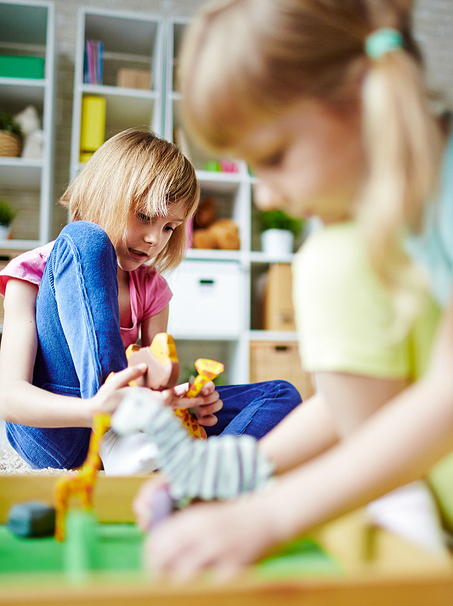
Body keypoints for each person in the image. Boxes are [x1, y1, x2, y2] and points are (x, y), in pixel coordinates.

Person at [133, 0, 453, 606]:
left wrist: (270, 520)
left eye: (273, 155)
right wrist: (230, 480)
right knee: (330, 257)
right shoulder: (360, 233)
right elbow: (353, 397)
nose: (266, 196)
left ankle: (410, 511)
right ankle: (405, 506)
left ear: (360, 95)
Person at [0, 128, 301, 471]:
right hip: (59, 430)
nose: (154, 239)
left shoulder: (152, 288)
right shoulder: (30, 273)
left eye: (170, 227)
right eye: (144, 216)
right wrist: (96, 411)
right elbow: (9, 398)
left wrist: (180, 402)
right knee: (85, 239)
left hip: (133, 434)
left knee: (281, 394)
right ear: (103, 194)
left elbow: (155, 383)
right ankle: (120, 438)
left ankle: (199, 471)